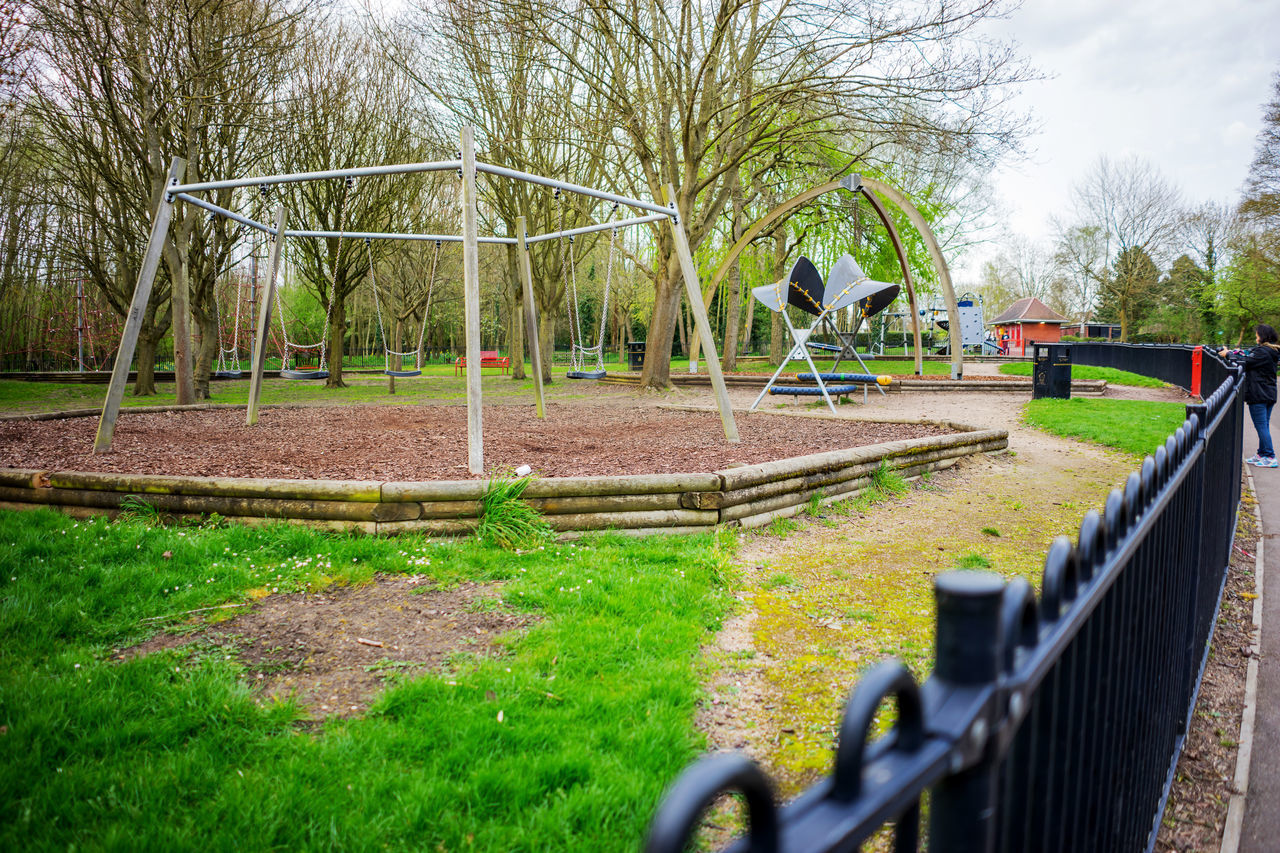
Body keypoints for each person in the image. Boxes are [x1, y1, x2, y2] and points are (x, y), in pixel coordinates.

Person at [1221, 324, 1280, 468]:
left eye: (1257, 334)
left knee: (1261, 426)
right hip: (1268, 392)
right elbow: (1248, 355)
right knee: (1263, 425)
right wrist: (1236, 352)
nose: (1256, 337)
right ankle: (1262, 454)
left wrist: (1228, 354)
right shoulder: (1269, 351)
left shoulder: (1263, 352)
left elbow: (1245, 362)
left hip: (1259, 393)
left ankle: (1270, 456)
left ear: (1262, 336)